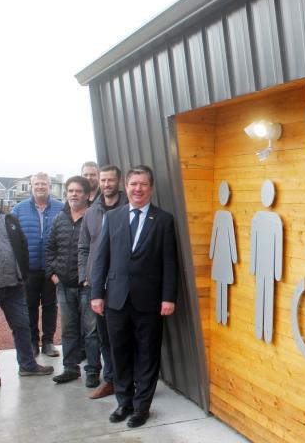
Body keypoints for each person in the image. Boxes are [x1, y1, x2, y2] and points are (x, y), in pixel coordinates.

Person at [91, 165, 178, 428]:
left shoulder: (163, 220)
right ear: (125, 187)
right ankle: (124, 402)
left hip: (150, 302)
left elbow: (169, 263)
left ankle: (142, 407)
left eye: (143, 184)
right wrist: (96, 293)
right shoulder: (113, 218)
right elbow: (101, 258)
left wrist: (168, 297)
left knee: (147, 355)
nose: (137, 189)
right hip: (116, 300)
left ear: (150, 188)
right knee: (120, 353)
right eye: (133, 184)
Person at [0, 179, 54, 386]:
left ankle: (27, 365)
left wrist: (22, 275)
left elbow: (22, 247)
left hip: (13, 287)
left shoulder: (10, 219)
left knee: (23, 326)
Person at [46, 176, 101, 387]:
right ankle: (70, 368)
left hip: (87, 286)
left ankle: (93, 370)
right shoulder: (60, 218)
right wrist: (53, 273)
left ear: (87, 195)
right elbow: (50, 248)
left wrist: (91, 277)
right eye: (70, 191)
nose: (74, 194)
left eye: (78, 191)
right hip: (63, 285)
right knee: (68, 330)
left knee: (91, 331)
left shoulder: (95, 217)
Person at [78, 164, 127, 399]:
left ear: (119, 182)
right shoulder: (92, 211)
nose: (107, 184)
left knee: (126, 336)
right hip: (98, 285)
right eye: (103, 180)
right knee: (104, 336)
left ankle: (129, 381)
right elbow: (83, 248)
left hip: (123, 284)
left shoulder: (129, 208)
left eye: (111, 180)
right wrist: (85, 277)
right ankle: (111, 380)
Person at [12, 172, 63, 357]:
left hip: (52, 269)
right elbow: (12, 240)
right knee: (30, 306)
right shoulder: (18, 209)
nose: (40, 187)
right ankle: (33, 341)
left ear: (49, 186)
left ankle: (48, 341)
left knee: (51, 305)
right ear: (31, 186)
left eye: (44, 184)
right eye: (36, 184)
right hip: (28, 269)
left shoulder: (61, 208)